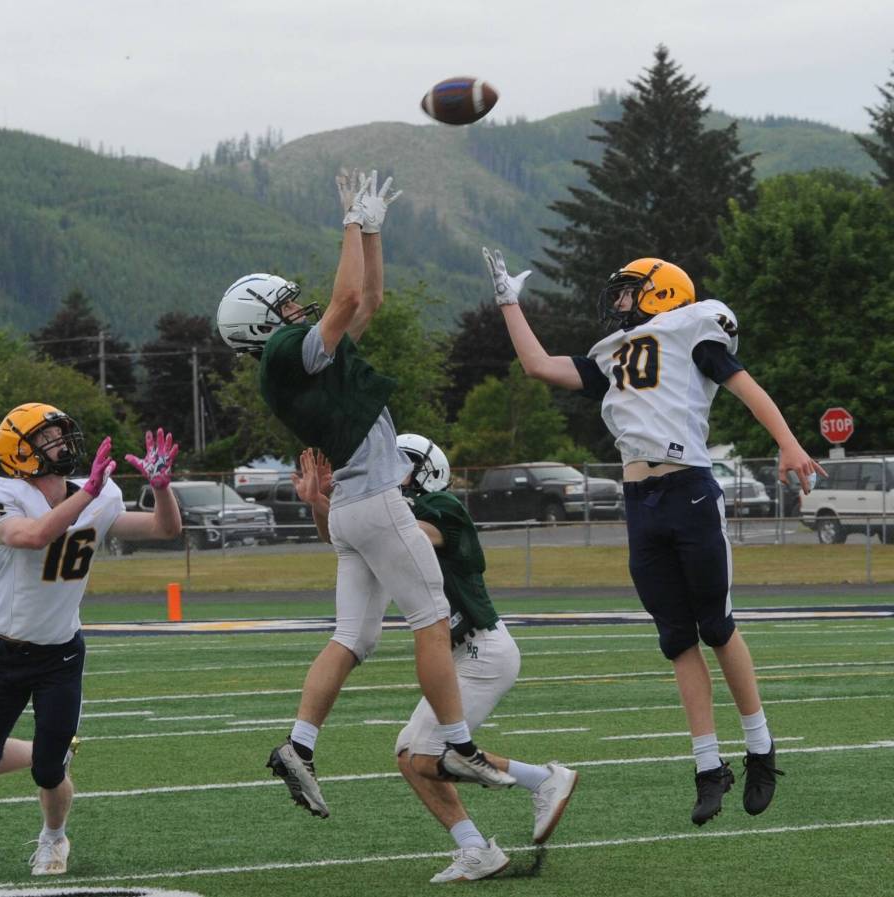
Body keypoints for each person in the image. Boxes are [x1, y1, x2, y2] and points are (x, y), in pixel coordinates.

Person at [483, 248, 826, 826]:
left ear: (659, 291)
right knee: (676, 638)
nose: (617, 301)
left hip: (688, 488)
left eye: (627, 290)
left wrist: (789, 442)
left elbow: (744, 385)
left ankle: (761, 747)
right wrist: (509, 303)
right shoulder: (613, 354)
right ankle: (707, 766)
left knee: (716, 627)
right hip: (640, 502)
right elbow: (540, 366)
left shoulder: (692, 327)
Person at [216, 169, 514, 821]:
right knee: (432, 619)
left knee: (353, 635)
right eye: (284, 305)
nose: (295, 308)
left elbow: (368, 299)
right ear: (263, 323)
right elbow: (346, 299)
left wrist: (371, 229)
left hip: (353, 506)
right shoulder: (287, 354)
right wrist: (351, 218)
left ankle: (299, 743)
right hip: (377, 498)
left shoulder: (292, 360)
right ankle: (459, 742)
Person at [292, 439, 579, 883]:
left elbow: (395, 531)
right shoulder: (392, 515)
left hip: (483, 650)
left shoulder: (442, 507)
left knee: (425, 756)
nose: (388, 475)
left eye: (397, 466)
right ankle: (475, 847)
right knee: (409, 755)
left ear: (427, 471)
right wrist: (319, 503)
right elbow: (346, 539)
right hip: (454, 655)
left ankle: (541, 779)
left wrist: (344, 499)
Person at [0, 404, 182, 875]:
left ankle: (53, 838)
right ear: (19, 452)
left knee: (48, 771)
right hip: (4, 654)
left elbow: (165, 529)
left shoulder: (98, 495)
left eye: (61, 435)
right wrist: (89, 496)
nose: (62, 445)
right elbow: (35, 535)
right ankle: (51, 747)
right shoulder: (2, 493)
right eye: (49, 438)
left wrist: (162, 492)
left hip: (60, 655)